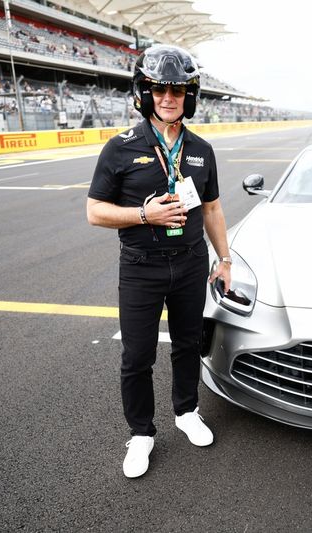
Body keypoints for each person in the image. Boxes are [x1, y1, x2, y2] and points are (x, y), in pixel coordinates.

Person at [87, 44, 232, 479]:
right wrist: (143, 215)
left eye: (178, 90)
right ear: (144, 93)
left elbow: (212, 210)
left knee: (188, 344)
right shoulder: (121, 147)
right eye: (159, 90)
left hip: (190, 263)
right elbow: (95, 211)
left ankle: (186, 411)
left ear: (190, 95)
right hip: (141, 265)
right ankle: (142, 433)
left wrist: (223, 259)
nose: (169, 98)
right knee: (137, 355)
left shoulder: (202, 150)